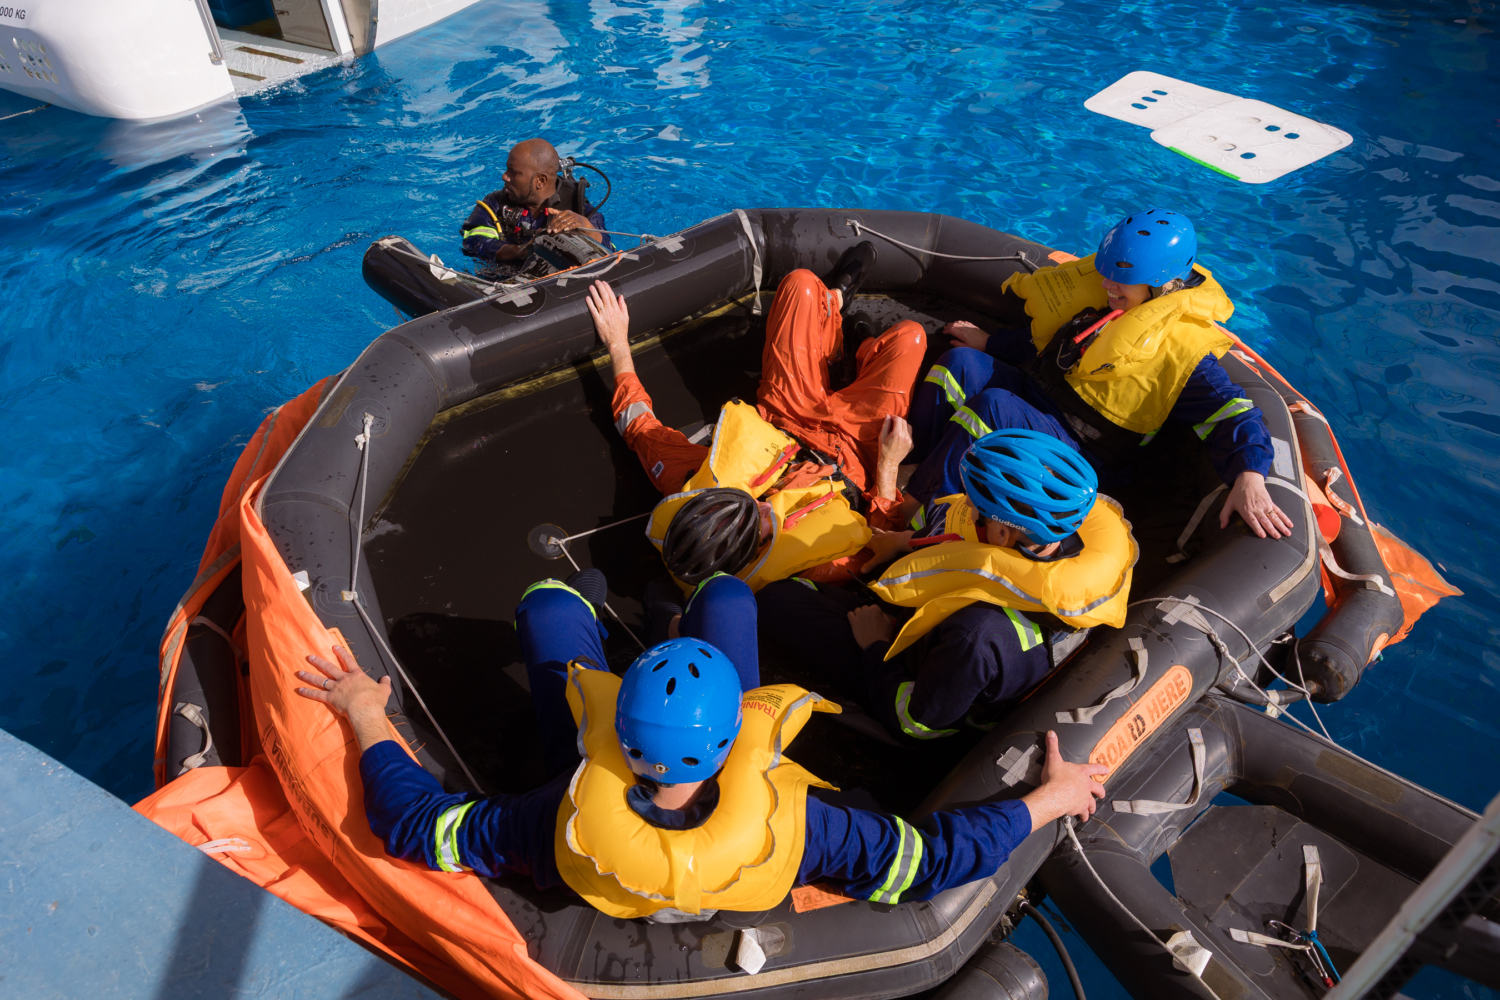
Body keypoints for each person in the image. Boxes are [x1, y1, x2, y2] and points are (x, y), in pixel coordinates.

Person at [293, 568, 1108, 920]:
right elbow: (930, 860)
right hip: (738, 837)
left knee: (548, 606)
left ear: (616, 726)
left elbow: (414, 824)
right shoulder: (801, 828)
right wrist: (1052, 798)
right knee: (726, 597)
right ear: (735, 736)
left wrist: (364, 712)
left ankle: (594, 607)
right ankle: (682, 611)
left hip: (596, 800)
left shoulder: (559, 816)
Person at [917, 208, 1291, 540]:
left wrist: (1249, 476)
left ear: (1160, 284)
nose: (1106, 285)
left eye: (1120, 280)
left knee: (994, 407)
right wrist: (990, 343)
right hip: (1040, 399)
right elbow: (1050, 343)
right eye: (1107, 274)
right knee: (962, 364)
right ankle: (913, 459)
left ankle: (923, 519)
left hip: (1083, 451)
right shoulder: (1112, 299)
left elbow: (1234, 413)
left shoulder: (1186, 353)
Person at [588, 241, 925, 591]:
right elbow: (886, 535)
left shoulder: (688, 481)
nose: (764, 507)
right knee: (910, 337)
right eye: (759, 524)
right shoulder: (817, 564)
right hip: (854, 450)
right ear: (754, 554)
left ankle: (836, 314)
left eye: (743, 499)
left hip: (786, 414)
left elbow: (637, 424)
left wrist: (617, 341)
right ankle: (860, 351)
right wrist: (888, 465)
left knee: (800, 284)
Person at [760, 428, 1135, 743]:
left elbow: (918, 722)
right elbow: (968, 548)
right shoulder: (1067, 543)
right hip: (945, 647)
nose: (966, 506)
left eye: (975, 505)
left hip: (922, 685)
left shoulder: (977, 635)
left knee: (776, 599)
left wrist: (875, 645)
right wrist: (905, 541)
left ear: (1001, 534)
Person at [459, 138, 612, 266]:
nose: (504, 177)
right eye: (507, 169)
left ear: (540, 181)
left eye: (514, 172)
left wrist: (586, 228)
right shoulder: (495, 205)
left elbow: (611, 255)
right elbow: (474, 242)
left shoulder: (580, 211)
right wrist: (520, 251)